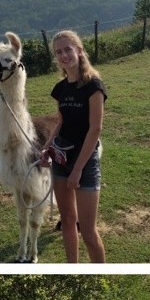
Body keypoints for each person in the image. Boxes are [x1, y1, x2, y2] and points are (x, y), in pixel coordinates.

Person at [40, 30, 106, 263]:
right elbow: (61, 121)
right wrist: (47, 147)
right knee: (67, 220)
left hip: (85, 164)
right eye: (59, 52)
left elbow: (95, 129)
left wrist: (78, 169)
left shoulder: (93, 86)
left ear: (79, 50)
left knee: (87, 230)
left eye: (68, 49)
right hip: (61, 161)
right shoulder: (61, 88)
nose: (64, 55)